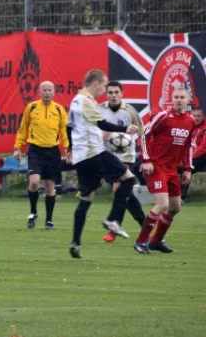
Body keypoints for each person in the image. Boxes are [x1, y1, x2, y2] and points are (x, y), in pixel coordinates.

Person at [67, 69, 139, 259]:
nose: (104, 90)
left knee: (86, 198)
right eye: (104, 85)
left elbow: (68, 127)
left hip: (81, 157)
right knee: (129, 178)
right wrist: (124, 128)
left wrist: (70, 149)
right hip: (94, 153)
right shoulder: (86, 101)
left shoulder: (74, 101)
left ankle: (75, 243)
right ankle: (113, 220)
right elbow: (102, 124)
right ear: (96, 83)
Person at [133, 88, 196, 254]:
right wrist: (146, 160)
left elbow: (189, 146)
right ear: (172, 99)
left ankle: (156, 241)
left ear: (188, 100)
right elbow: (145, 135)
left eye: (182, 97)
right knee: (162, 205)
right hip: (156, 166)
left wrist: (188, 169)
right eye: (176, 97)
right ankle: (140, 242)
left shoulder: (190, 121)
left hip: (173, 170)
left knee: (175, 208)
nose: (179, 100)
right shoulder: (163, 116)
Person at [14, 81, 69, 230]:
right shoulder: (31, 107)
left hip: (52, 151)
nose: (46, 92)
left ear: (53, 92)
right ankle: (33, 212)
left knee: (50, 187)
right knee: (34, 182)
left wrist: (68, 149)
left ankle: (49, 221)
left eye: (49, 90)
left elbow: (64, 131)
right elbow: (23, 129)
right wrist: (17, 147)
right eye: (44, 90)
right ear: (39, 92)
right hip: (35, 150)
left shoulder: (58, 109)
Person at [99, 81, 146, 243]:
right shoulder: (100, 109)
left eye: (116, 92)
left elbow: (142, 133)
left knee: (119, 186)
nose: (113, 95)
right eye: (110, 92)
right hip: (107, 156)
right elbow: (92, 130)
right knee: (127, 194)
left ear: (121, 93)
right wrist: (102, 136)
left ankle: (114, 222)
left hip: (126, 156)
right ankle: (145, 225)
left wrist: (146, 157)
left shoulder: (130, 111)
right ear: (106, 93)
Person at [180, 107, 206, 200]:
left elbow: (204, 148)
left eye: (199, 116)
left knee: (184, 169)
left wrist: (189, 158)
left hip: (202, 158)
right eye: (194, 116)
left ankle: (181, 197)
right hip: (191, 157)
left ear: (203, 116)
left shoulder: (204, 128)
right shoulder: (188, 126)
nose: (196, 118)